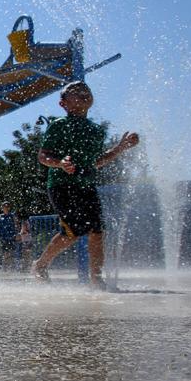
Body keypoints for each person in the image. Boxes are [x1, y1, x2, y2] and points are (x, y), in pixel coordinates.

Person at [31, 83, 137, 288]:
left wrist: (120, 148)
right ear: (63, 104)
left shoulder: (96, 130)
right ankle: (41, 265)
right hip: (61, 185)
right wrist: (60, 164)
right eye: (76, 93)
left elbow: (96, 162)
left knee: (97, 231)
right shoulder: (58, 125)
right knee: (73, 232)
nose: (83, 94)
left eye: (86, 91)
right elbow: (43, 156)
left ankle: (96, 279)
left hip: (86, 186)